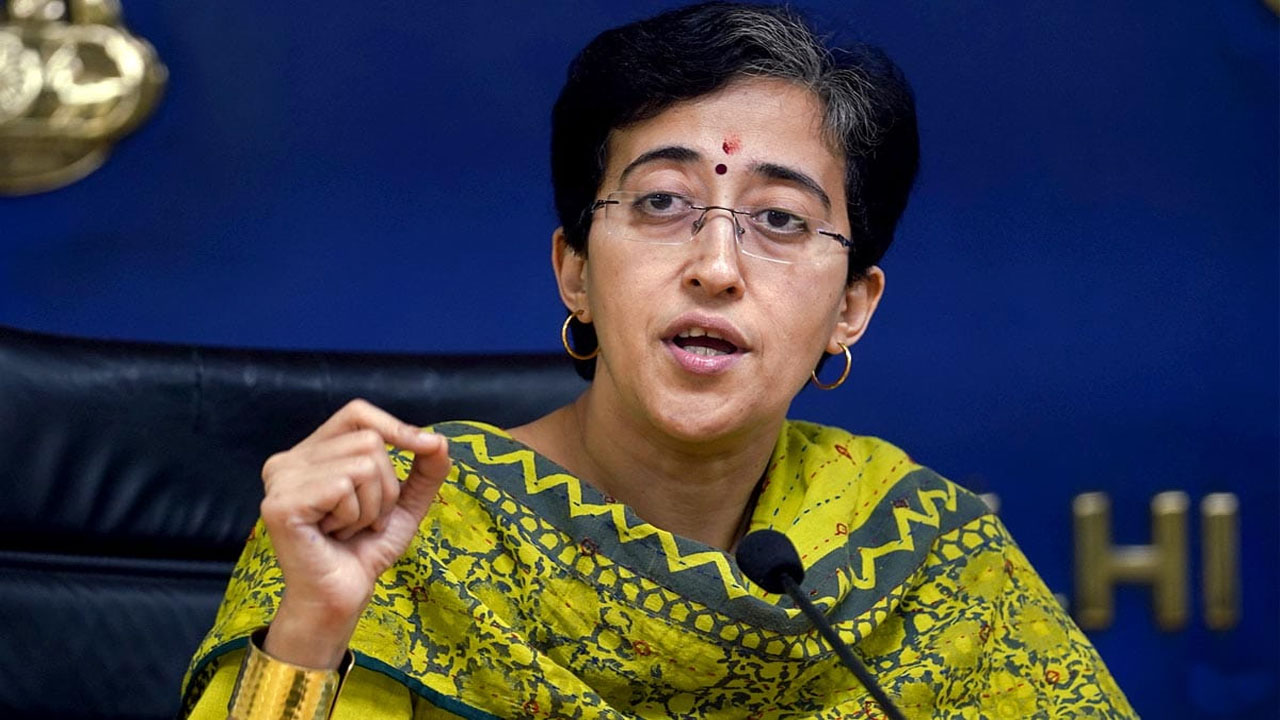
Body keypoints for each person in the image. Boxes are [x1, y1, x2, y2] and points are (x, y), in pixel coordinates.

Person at [181, 3, 1137, 718]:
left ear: (851, 307)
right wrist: (311, 632)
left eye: (780, 219)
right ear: (575, 271)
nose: (715, 267)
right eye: (661, 203)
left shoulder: (924, 561)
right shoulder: (393, 527)